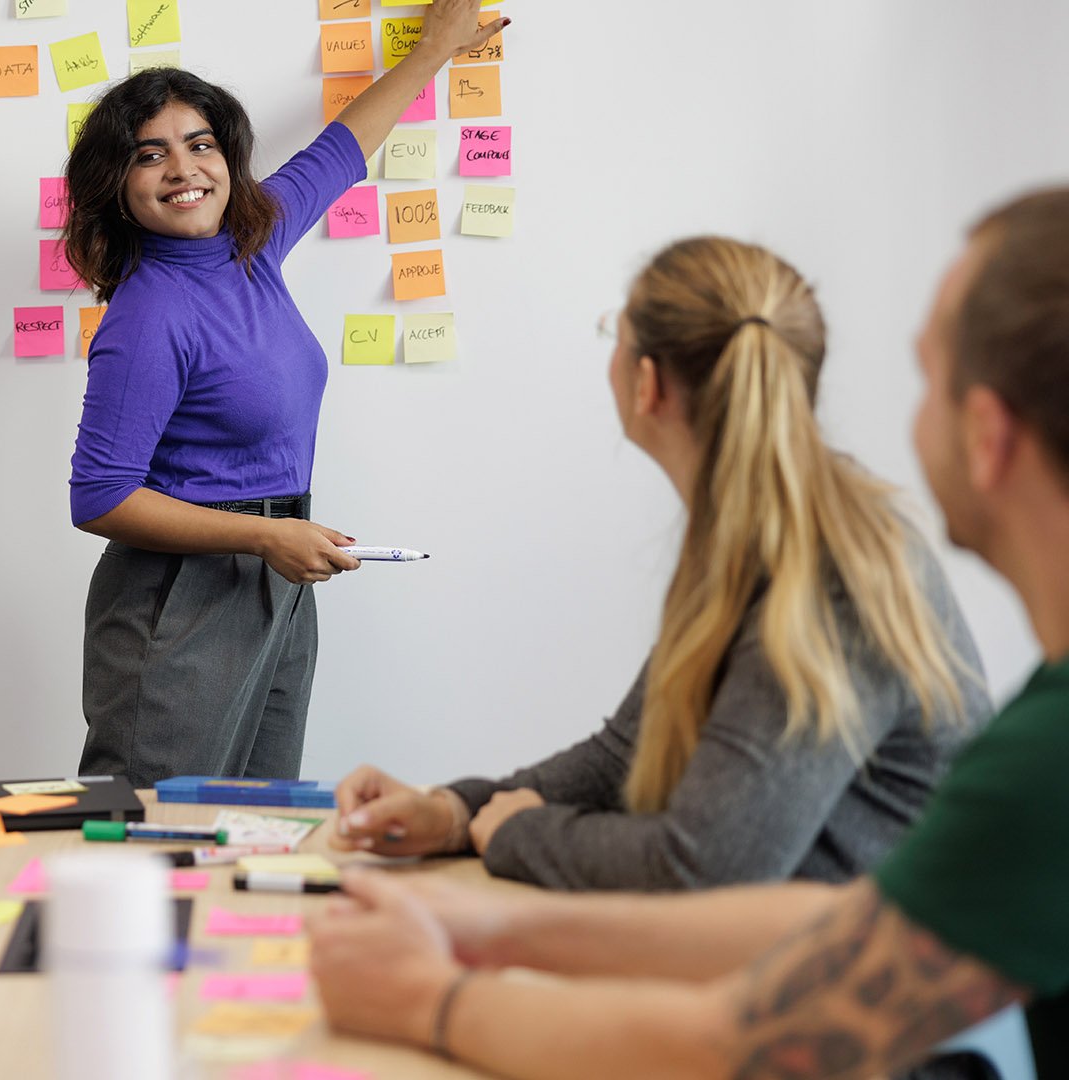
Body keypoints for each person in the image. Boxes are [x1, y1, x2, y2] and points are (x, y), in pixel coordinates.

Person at [308, 189, 1069, 1077]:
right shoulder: (745, 544)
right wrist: (463, 817)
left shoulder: (858, 596)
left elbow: (720, 924)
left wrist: (437, 985)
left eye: (928, 375)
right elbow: (645, 769)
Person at [330, 235, 991, 892]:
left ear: (646, 384)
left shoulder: (829, 576)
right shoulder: (751, 530)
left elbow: (702, 866)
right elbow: (626, 755)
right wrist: (454, 812)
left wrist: (515, 836)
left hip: (891, 983)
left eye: (613, 333)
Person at [65, 0, 510, 790]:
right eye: (150, 155)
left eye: (200, 144)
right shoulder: (148, 314)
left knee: (255, 832)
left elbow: (341, 150)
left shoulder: (253, 243)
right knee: (149, 837)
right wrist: (266, 541)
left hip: (277, 577)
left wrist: (433, 50)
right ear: (117, 184)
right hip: (184, 596)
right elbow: (98, 497)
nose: (184, 169)